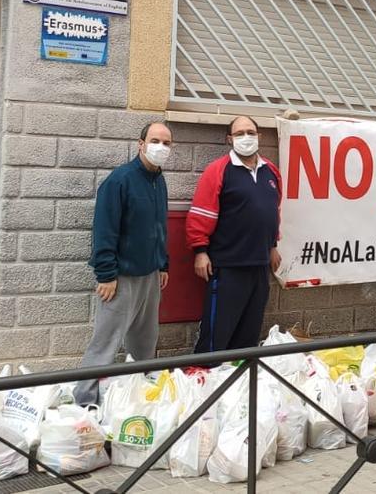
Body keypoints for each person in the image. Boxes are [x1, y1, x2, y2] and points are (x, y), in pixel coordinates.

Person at [74, 123, 173, 405]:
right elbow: (104, 229)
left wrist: (163, 264)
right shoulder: (120, 180)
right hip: (121, 278)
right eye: (155, 140)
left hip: (151, 275)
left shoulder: (159, 181)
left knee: (145, 342)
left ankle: (141, 395)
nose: (161, 147)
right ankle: (84, 401)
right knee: (105, 343)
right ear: (140, 143)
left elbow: (159, 227)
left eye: (167, 143)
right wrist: (106, 274)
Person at [188, 116, 283, 353]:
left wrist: (273, 245)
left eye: (250, 132)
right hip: (227, 266)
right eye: (239, 133)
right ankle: (206, 377)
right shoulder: (218, 170)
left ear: (259, 136)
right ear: (229, 139)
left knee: (249, 334)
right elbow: (201, 213)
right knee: (217, 334)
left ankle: (239, 384)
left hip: (260, 265)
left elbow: (273, 211)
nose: (246, 138)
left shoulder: (271, 172)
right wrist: (200, 251)